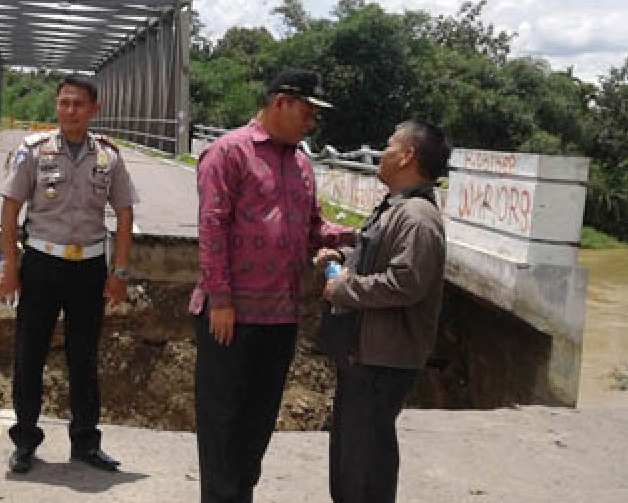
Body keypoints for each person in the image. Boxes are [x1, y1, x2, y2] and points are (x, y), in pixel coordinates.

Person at [190, 69, 356, 503]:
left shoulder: (301, 162)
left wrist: (362, 233)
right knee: (222, 425)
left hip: (280, 317)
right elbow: (212, 228)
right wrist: (220, 300)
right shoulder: (228, 153)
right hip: (231, 317)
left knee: (257, 424)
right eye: (307, 111)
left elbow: (313, 227)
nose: (311, 121)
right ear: (280, 102)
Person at [0, 77, 139, 474]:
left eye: (78, 103)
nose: (69, 110)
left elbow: (125, 213)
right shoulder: (32, 152)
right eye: (63, 103)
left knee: (84, 358)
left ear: (95, 108)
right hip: (42, 264)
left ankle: (86, 443)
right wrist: (8, 267)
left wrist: (120, 271)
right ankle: (25, 441)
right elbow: (10, 211)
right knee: (29, 356)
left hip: (89, 269)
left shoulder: (109, 157)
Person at [320, 120, 451, 503]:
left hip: (382, 361)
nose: (383, 151)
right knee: (351, 460)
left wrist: (344, 289)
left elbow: (405, 283)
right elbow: (375, 259)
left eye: (390, 144)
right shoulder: (397, 208)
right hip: (365, 355)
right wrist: (343, 258)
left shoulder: (418, 218)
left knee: (365, 469)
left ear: (408, 155)